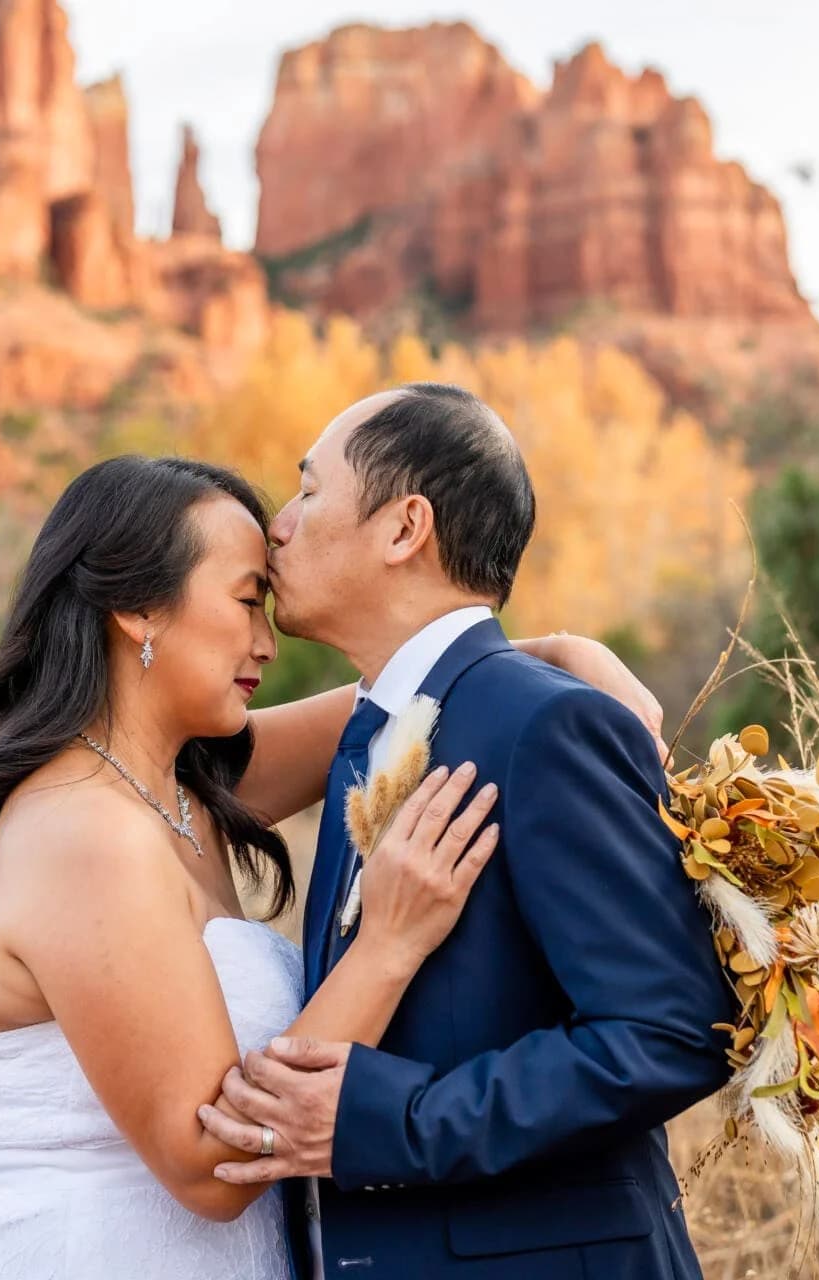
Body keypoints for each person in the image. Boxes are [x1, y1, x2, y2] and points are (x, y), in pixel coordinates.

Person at [0, 453, 661, 1278]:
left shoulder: (178, 789)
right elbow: (212, 1161)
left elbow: (414, 689)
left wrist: (553, 656)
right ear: (138, 609)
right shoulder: (85, 834)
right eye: (245, 601)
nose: (267, 641)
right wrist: (389, 944)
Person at [196, 385, 740, 1279]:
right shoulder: (372, 729)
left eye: (308, 491)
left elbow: (674, 1030)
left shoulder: (551, 726)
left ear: (405, 528)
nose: (277, 528)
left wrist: (393, 1120)